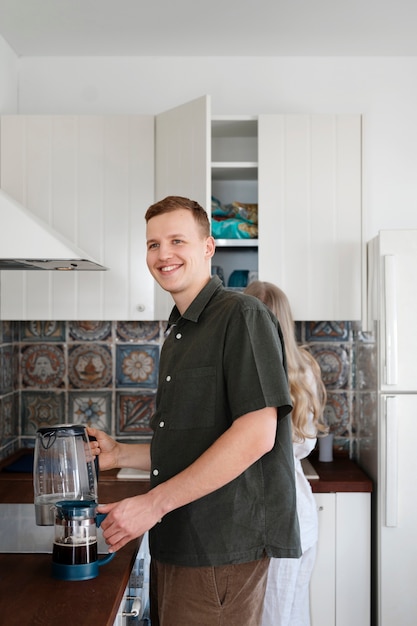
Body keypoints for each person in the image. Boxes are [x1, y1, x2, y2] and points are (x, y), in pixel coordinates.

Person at [87, 196, 301, 626]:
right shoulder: (181, 330)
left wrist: (152, 505)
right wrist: (121, 455)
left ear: (208, 247)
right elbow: (198, 441)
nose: (163, 254)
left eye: (177, 240)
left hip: (221, 546)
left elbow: (258, 434)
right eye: (153, 244)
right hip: (182, 541)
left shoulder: (241, 315)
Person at [244, 280, 328, 626]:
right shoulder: (303, 366)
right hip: (301, 515)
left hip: (273, 519)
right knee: (291, 614)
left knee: (272, 618)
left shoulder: (251, 370)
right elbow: (305, 443)